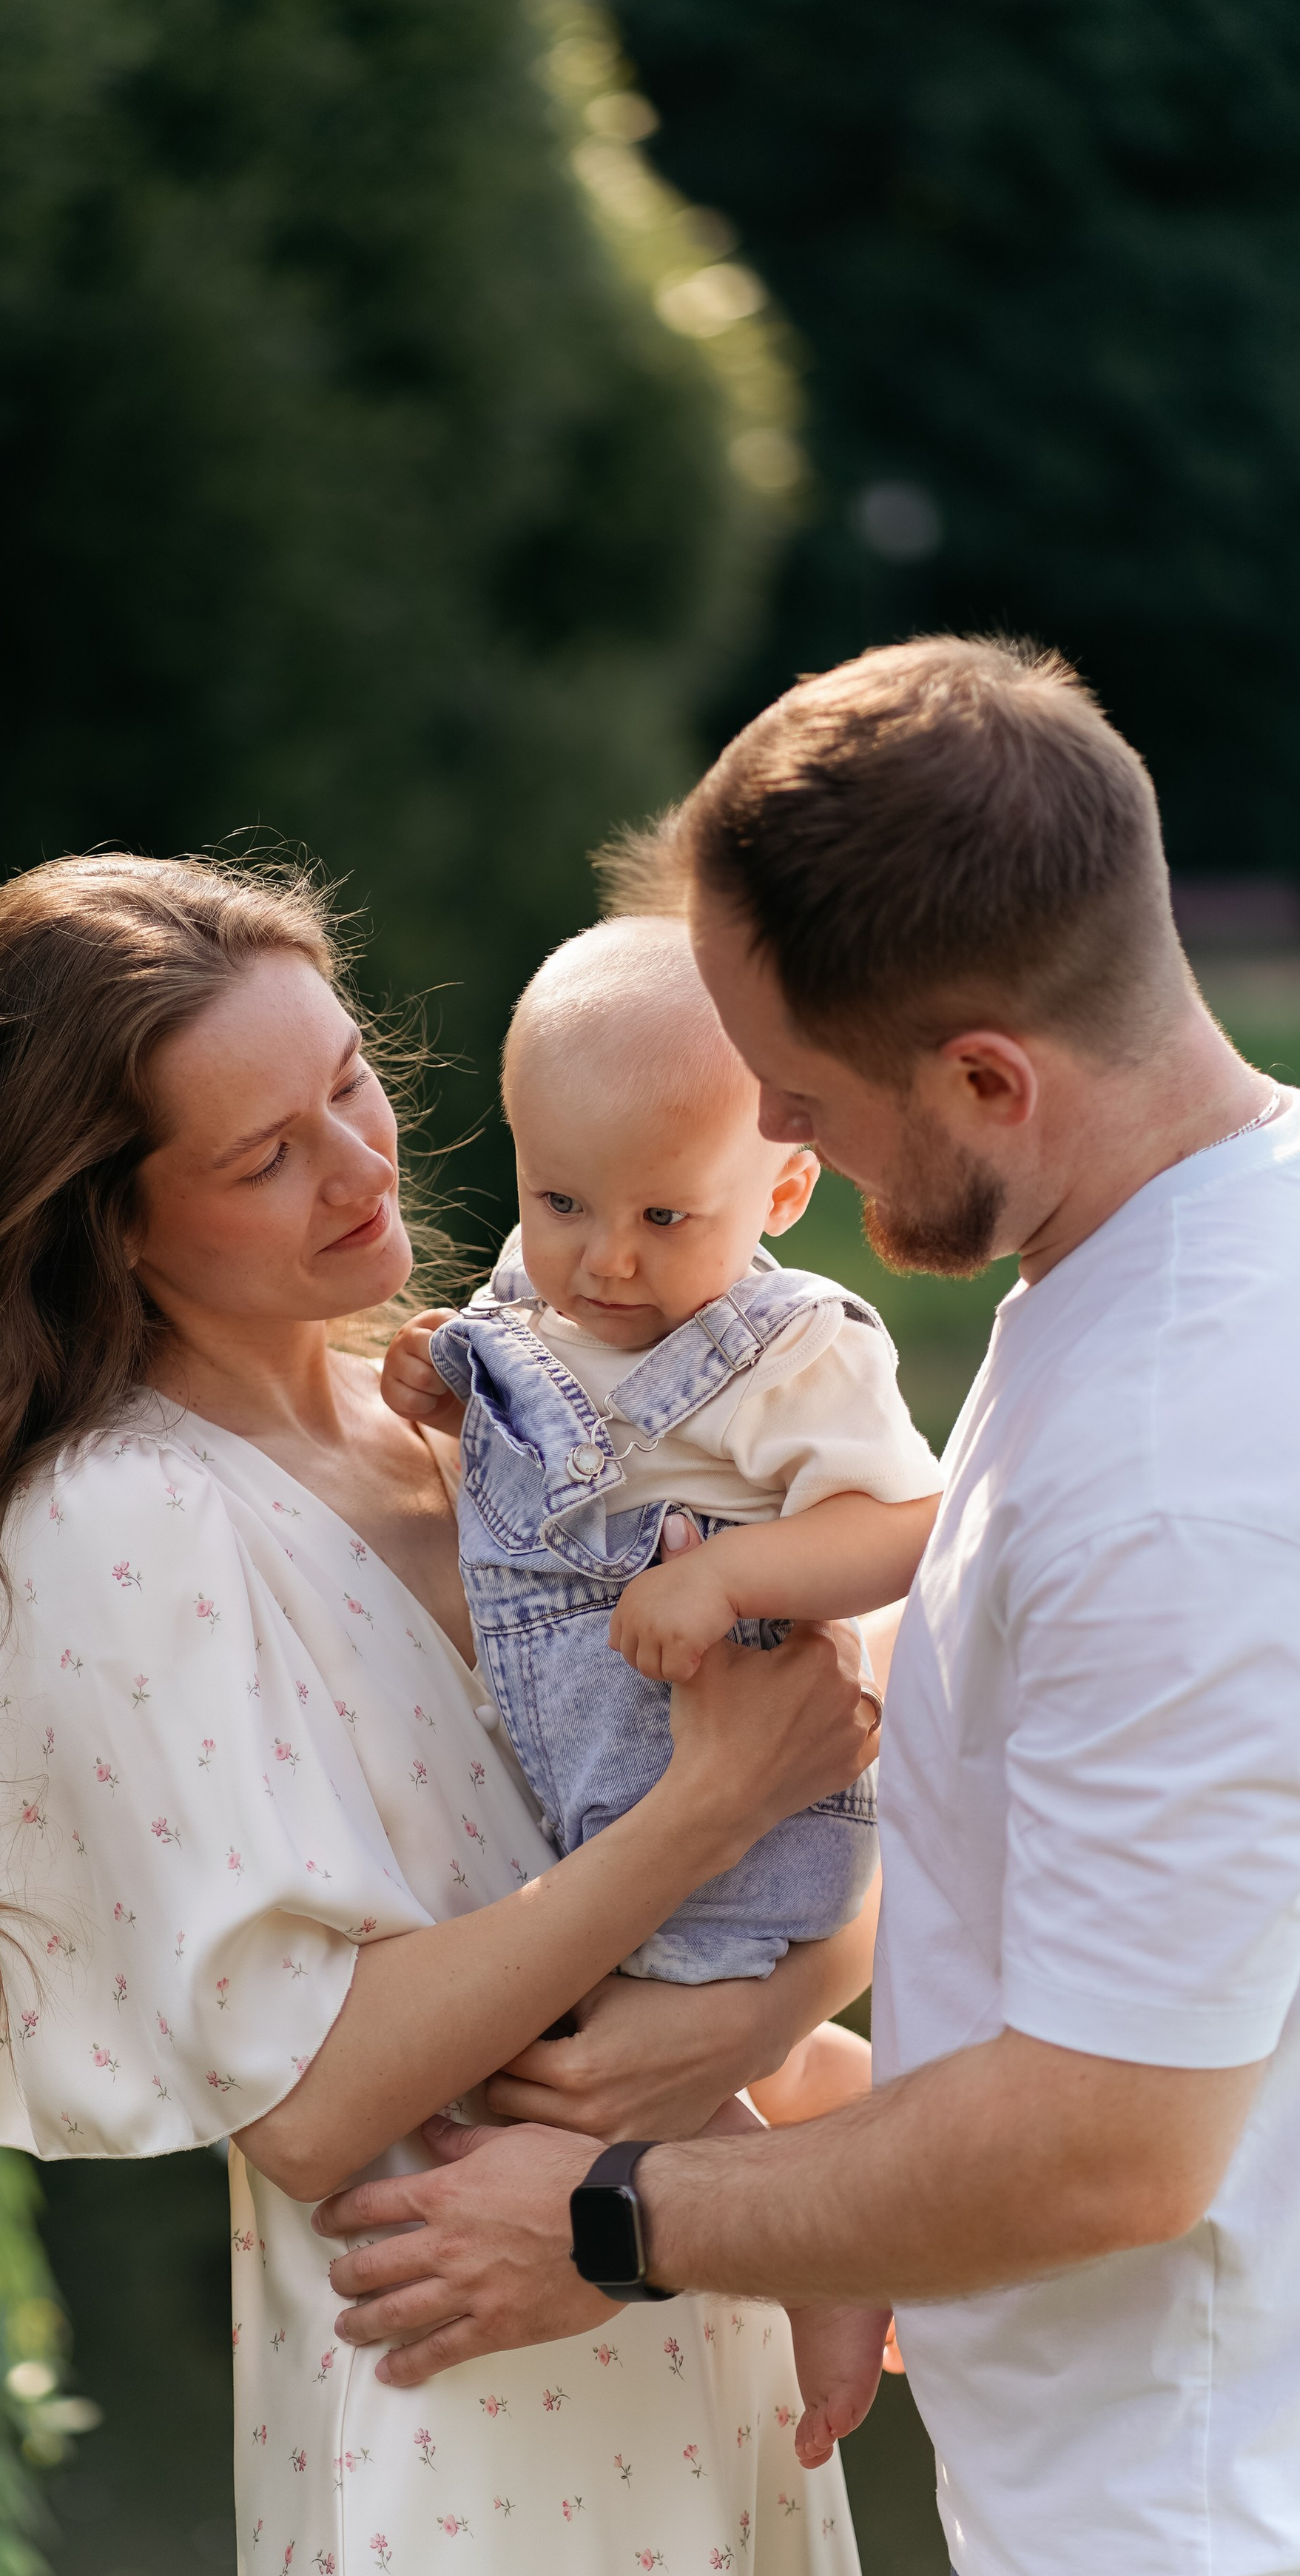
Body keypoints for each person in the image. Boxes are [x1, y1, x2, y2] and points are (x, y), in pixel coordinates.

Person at [316, 636, 1300, 2576]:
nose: (770, 1130)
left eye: (802, 1094)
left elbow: (1107, 2151)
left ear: (988, 1081)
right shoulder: (1245, 1228)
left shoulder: (1171, 1476)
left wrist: (623, 2218)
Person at [0, 853, 890, 2576]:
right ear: (111, 1227)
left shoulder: (495, 1406)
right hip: (477, 2424)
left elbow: (833, 1801)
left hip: (683, 2301)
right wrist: (699, 1824)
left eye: (346, 1080)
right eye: (261, 1157)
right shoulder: (119, 1526)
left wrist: (760, 2110)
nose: (358, 1168)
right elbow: (319, 2098)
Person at [379, 912, 940, 2462]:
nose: (604, 1258)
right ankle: (855, 2150)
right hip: (595, 1798)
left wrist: (732, 1578)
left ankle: (815, 2252)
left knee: (595, 2065)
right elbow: (523, 1490)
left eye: (661, 1216)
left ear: (778, 1189)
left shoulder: (788, 1351)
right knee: (664, 2035)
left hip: (743, 1795)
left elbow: (910, 1525)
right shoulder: (534, 1305)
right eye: (557, 1199)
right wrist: (442, 1390)